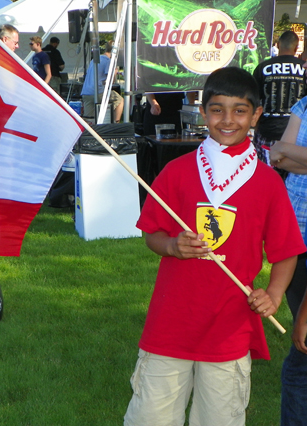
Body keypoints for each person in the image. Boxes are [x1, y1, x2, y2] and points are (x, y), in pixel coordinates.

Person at [124, 67, 306, 426]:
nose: (228, 119)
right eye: (217, 109)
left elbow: (287, 251)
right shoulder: (176, 172)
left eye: (239, 110)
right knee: (151, 417)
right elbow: (152, 234)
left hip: (229, 330)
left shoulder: (268, 183)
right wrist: (173, 246)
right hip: (170, 325)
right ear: (203, 111)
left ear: (256, 115)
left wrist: (273, 292)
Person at [268, 98, 307, 425]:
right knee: (302, 331)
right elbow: (276, 154)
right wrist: (286, 152)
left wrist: (289, 152)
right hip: (296, 236)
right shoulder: (303, 105)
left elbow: (284, 151)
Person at [253, 30, 307, 163]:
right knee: (292, 174)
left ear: (277, 45)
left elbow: (254, 99)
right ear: (296, 48)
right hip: (297, 136)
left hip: (267, 131)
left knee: (266, 176)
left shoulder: (263, 67)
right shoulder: (304, 68)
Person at [80, 41, 124, 123]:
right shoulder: (108, 61)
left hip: (86, 92)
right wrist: (114, 72)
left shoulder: (94, 60)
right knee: (120, 100)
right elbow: (111, 80)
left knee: (90, 118)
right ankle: (116, 123)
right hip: (99, 92)